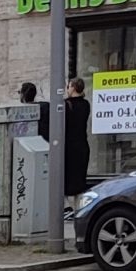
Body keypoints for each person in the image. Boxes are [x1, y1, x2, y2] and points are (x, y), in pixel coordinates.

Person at [61, 77, 90, 205]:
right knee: (79, 182)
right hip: (82, 145)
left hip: (69, 147)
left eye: (68, 87)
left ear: (73, 88)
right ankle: (79, 209)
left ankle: (69, 208)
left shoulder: (66, 105)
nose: (67, 89)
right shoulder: (86, 104)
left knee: (65, 182)